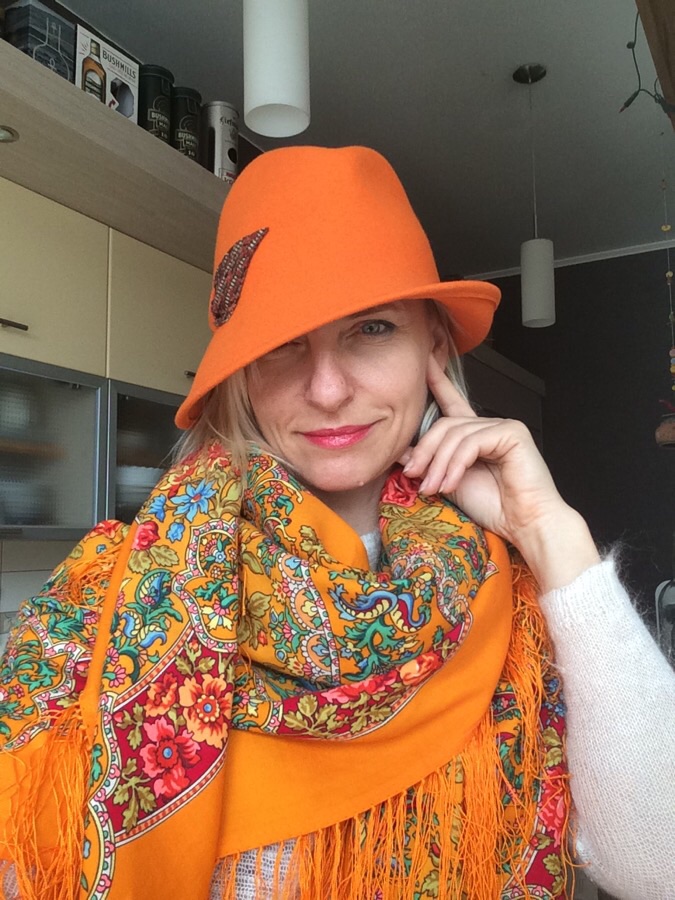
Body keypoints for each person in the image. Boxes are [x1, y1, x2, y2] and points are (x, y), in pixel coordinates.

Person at [0, 146, 674, 900]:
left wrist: (551, 533)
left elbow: (658, 866)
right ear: (242, 375)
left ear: (432, 347)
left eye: (372, 329)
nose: (326, 389)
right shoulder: (113, 594)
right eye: (282, 343)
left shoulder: (520, 600)